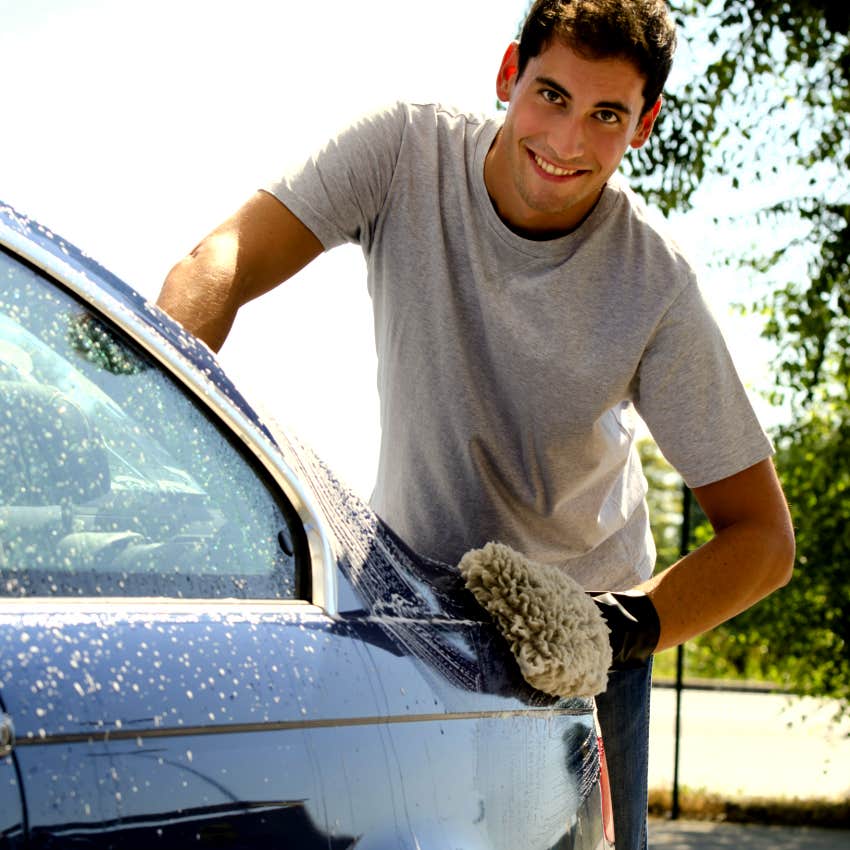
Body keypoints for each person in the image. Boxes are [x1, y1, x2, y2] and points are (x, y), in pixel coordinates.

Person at [157, 1, 795, 847]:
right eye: (551, 95)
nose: (567, 141)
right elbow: (220, 262)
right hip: (409, 614)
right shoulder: (401, 152)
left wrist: (620, 627)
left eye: (607, 114)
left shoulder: (656, 287)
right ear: (508, 74)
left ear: (644, 124)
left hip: (582, 650)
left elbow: (762, 540)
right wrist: (165, 409)